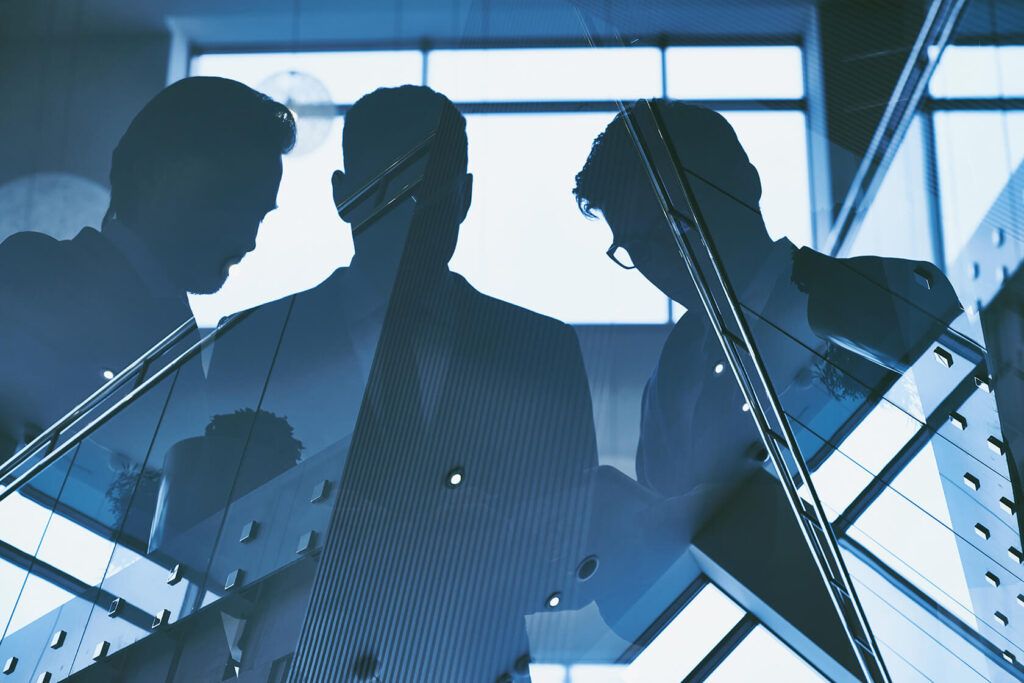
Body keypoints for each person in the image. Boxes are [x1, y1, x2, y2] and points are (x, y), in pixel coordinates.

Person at [209, 85, 600, 681]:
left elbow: (576, 546)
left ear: (465, 196)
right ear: (342, 197)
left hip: (467, 661)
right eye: (394, 187)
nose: (416, 208)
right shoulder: (254, 344)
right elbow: (212, 546)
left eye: (431, 187)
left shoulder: (542, 352)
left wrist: (496, 536)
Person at [573, 99, 962, 521]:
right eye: (635, 247)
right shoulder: (669, 376)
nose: (664, 257)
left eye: (674, 221)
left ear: (745, 183)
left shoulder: (874, 297)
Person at [0, 77, 295, 460]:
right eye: (236, 204)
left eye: (259, 215)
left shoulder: (180, 334)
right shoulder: (36, 271)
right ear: (160, 177)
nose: (250, 238)